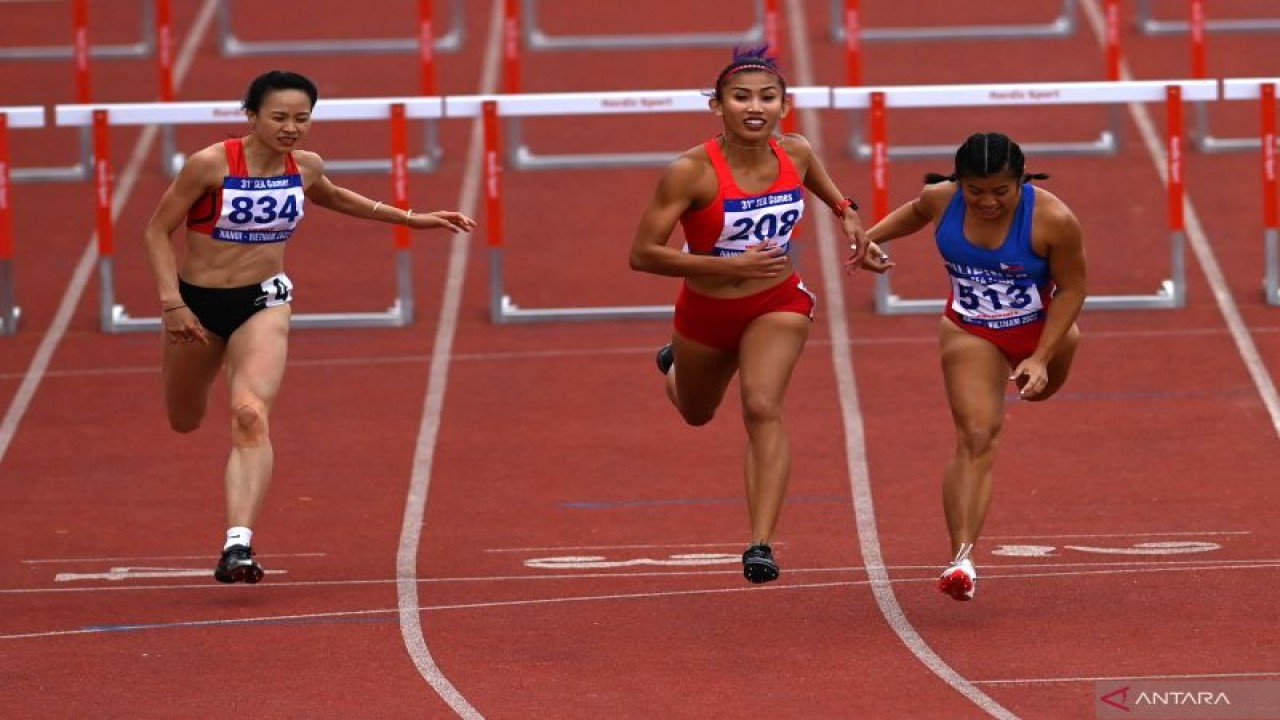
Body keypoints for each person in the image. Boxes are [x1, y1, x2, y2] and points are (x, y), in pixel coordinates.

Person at [142, 70, 476, 584]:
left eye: (302, 118)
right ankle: (233, 528)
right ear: (251, 116)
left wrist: (414, 218)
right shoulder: (210, 165)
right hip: (196, 306)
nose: (291, 128)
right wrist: (172, 304)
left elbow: (337, 197)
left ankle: (238, 545)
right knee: (183, 418)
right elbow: (156, 232)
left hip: (264, 301)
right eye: (279, 117)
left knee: (250, 415)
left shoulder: (306, 166)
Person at [629, 46, 869, 585]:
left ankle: (760, 543)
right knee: (695, 411)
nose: (754, 106)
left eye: (767, 97)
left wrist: (849, 216)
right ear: (717, 106)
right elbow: (642, 253)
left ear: (785, 105)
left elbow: (827, 190)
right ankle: (675, 364)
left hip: (776, 301)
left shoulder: (797, 152)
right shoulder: (690, 173)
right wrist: (721, 265)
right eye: (740, 98)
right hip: (707, 310)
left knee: (762, 404)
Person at [852, 132, 1086, 601]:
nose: (988, 201)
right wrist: (870, 239)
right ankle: (962, 559)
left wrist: (1040, 357)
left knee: (1039, 393)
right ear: (959, 183)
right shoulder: (941, 199)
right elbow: (917, 213)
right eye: (975, 190)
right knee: (976, 435)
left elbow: (1073, 290)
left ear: (1021, 181)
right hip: (970, 330)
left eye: (1001, 191)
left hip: (1040, 331)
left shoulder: (1053, 219)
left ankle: (1040, 366)